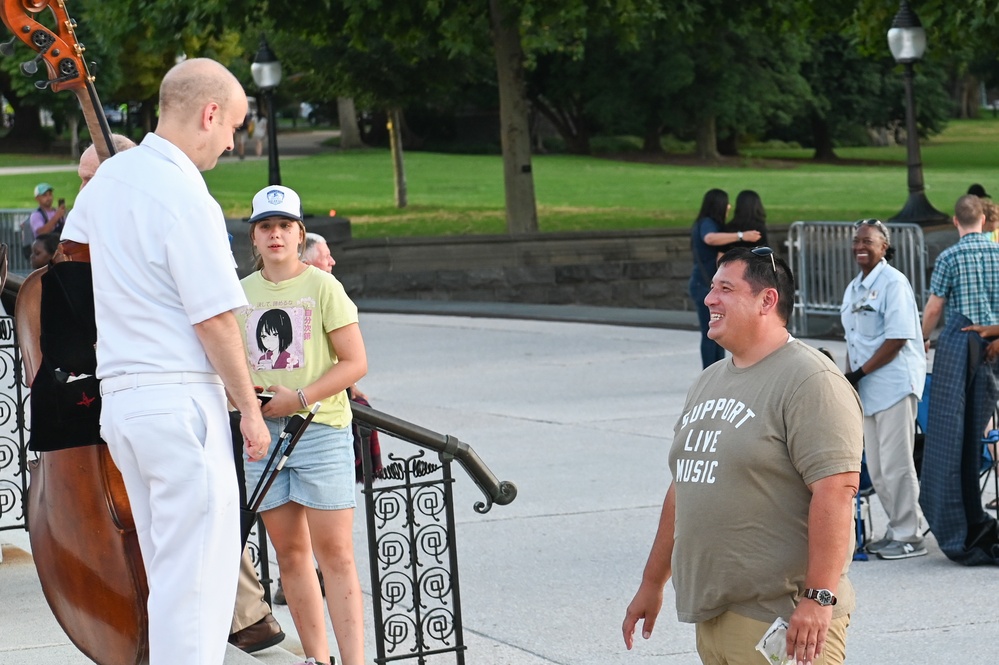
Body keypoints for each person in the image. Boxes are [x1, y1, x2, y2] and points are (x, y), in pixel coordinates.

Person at [60, 58, 272, 665]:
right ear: (208, 113)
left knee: (169, 585)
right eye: (232, 125)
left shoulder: (105, 186)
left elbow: (68, 276)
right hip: (179, 405)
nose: (232, 140)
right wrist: (249, 413)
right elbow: (214, 318)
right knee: (198, 596)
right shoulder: (185, 194)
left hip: (122, 407)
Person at [624, 247, 862, 665]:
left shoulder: (811, 379)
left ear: (766, 300)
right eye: (712, 288)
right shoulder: (708, 380)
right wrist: (651, 582)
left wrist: (818, 598)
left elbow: (837, 489)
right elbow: (684, 487)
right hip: (714, 618)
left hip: (783, 621)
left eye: (725, 289)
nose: (709, 299)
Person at [238, 184, 367, 665]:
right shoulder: (240, 294)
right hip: (261, 437)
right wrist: (248, 402)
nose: (275, 235)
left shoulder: (322, 286)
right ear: (254, 237)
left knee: (334, 554)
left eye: (284, 226)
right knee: (291, 556)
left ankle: (353, 661)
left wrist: (303, 396)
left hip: (321, 431)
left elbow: (355, 362)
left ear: (299, 234)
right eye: (266, 226)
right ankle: (318, 658)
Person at [840, 219, 927, 560]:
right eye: (857, 241)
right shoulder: (854, 288)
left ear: (884, 247)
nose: (860, 246)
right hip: (866, 389)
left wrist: (860, 372)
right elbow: (854, 339)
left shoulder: (894, 283)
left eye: (868, 241)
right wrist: (849, 378)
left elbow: (898, 337)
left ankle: (911, 535)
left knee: (896, 463)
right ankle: (896, 529)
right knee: (875, 467)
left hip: (893, 385)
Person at [920, 194, 999, 565]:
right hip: (992, 344)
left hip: (961, 345)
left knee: (954, 438)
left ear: (955, 221)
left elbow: (935, 307)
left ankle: (958, 519)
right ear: (983, 219)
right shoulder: (998, 252)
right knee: (980, 431)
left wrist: (920, 339)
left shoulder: (950, 256)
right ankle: (976, 515)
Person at [688, 189, 761, 368]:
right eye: (726, 203)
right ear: (718, 204)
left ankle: (716, 370)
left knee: (718, 332)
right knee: (711, 332)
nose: (729, 207)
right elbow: (710, 238)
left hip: (704, 284)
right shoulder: (707, 223)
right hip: (703, 284)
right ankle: (709, 373)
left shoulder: (706, 223)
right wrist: (741, 236)